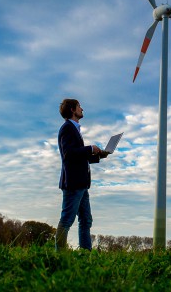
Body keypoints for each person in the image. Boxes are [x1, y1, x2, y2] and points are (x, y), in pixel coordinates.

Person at [55, 98, 108, 251]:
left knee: (86, 220)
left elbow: (78, 157)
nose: (82, 109)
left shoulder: (74, 129)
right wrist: (90, 148)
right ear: (72, 109)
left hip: (82, 184)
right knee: (67, 219)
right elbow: (68, 154)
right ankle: (59, 254)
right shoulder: (67, 128)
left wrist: (99, 155)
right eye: (79, 106)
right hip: (73, 183)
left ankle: (85, 255)